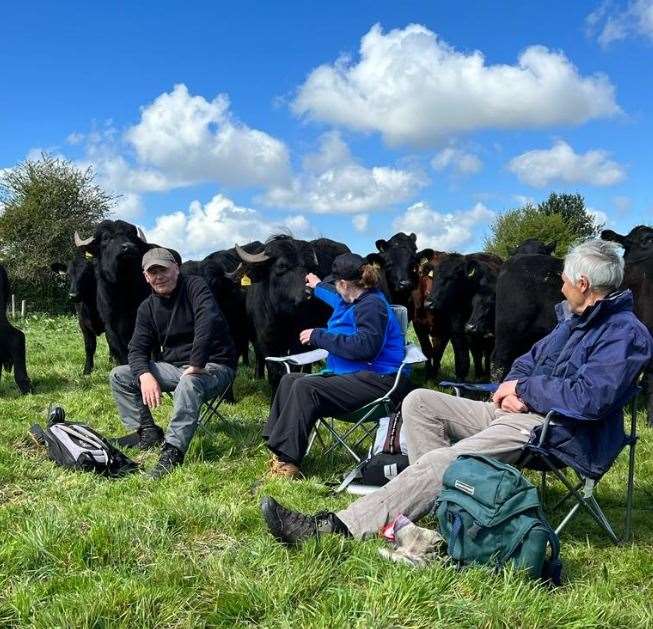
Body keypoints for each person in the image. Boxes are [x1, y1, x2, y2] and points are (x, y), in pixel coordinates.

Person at [260, 239, 653, 543]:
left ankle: (338, 527)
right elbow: (525, 362)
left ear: (583, 284)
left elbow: (589, 399)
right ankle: (447, 503)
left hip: (557, 430)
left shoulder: (625, 334)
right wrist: (511, 389)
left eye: (565, 279)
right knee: (419, 401)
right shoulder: (572, 321)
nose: (562, 286)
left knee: (445, 459)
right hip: (519, 412)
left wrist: (527, 391)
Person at [263, 253, 406, 478]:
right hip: (354, 376)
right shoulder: (353, 297)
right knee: (289, 379)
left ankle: (288, 464)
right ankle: (277, 449)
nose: (336, 290)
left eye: (336, 285)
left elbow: (366, 347)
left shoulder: (372, 306)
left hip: (378, 381)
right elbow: (334, 297)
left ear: (344, 284)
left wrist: (319, 336)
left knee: (305, 387)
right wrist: (317, 285)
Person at [110, 247, 237, 478]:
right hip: (175, 368)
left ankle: (173, 452)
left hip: (214, 366)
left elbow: (207, 320)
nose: (159, 277)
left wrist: (197, 363)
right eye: (153, 272)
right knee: (120, 375)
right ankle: (147, 431)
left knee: (188, 383)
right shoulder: (147, 308)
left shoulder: (195, 286)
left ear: (176, 269)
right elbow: (137, 348)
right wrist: (144, 375)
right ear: (146, 277)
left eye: (163, 270)